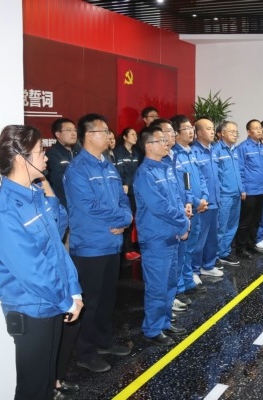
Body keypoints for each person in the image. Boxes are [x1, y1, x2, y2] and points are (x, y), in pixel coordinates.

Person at [0, 125, 83, 400]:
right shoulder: (4, 211)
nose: (45, 157)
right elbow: (33, 270)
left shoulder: (34, 196)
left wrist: (73, 291)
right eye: (39, 152)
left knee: (46, 383)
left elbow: (58, 247)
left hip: (52, 302)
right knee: (33, 389)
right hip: (32, 310)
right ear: (20, 159)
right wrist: (66, 300)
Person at [63, 113, 133, 373]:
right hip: (90, 246)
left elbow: (122, 197)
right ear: (89, 136)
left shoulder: (108, 165)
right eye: (104, 131)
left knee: (107, 299)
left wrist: (126, 218)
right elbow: (89, 206)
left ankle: (104, 341)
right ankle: (85, 352)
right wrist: (121, 218)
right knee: (89, 303)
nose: (109, 135)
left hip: (112, 243)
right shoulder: (77, 170)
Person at [134, 126, 191, 346]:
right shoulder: (145, 174)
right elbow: (159, 206)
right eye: (161, 140)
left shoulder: (165, 168)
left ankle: (165, 322)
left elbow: (176, 200)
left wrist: (182, 221)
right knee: (157, 287)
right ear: (149, 146)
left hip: (171, 235)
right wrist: (183, 222)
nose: (167, 143)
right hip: (156, 239)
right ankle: (153, 329)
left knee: (169, 284)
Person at [171, 115, 209, 292]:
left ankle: (188, 280)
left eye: (191, 128)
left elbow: (201, 178)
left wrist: (204, 197)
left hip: (197, 207)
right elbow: (183, 184)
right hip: (188, 207)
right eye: (186, 128)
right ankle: (180, 285)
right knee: (183, 248)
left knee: (191, 246)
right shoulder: (175, 155)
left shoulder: (192, 152)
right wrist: (195, 201)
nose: (191, 131)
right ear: (176, 133)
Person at [192, 117, 223, 277]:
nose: (212, 131)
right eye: (208, 128)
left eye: (213, 128)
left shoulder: (213, 150)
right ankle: (194, 270)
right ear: (198, 132)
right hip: (203, 204)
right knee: (199, 239)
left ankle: (208, 265)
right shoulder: (194, 152)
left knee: (212, 237)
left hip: (215, 201)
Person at [235, 119, 263, 259]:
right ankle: (240, 248)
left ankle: (251, 244)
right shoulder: (243, 147)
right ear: (249, 132)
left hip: (261, 190)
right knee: (245, 221)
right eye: (255, 128)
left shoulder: (262, 147)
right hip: (249, 191)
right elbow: (240, 169)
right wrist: (242, 189)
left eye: (260, 127)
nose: (259, 130)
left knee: (256, 220)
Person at [213, 121, 242, 266]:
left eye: (236, 132)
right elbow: (215, 175)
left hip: (236, 194)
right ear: (222, 133)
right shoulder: (216, 150)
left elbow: (238, 171)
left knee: (232, 226)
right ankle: (215, 255)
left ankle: (224, 252)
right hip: (224, 195)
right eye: (232, 131)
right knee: (221, 227)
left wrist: (241, 189)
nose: (235, 134)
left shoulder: (235, 150)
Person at [113, 127, 141, 261]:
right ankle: (125, 250)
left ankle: (129, 248)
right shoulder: (118, 152)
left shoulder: (135, 153)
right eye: (132, 134)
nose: (135, 137)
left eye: (136, 134)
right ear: (125, 137)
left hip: (134, 190)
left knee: (133, 219)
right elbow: (120, 171)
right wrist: (126, 183)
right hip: (124, 191)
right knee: (126, 220)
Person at [45, 117, 81, 208]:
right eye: (68, 130)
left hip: (80, 203)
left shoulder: (80, 152)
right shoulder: (52, 154)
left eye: (75, 130)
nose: (73, 133)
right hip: (63, 204)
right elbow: (59, 181)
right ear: (58, 134)